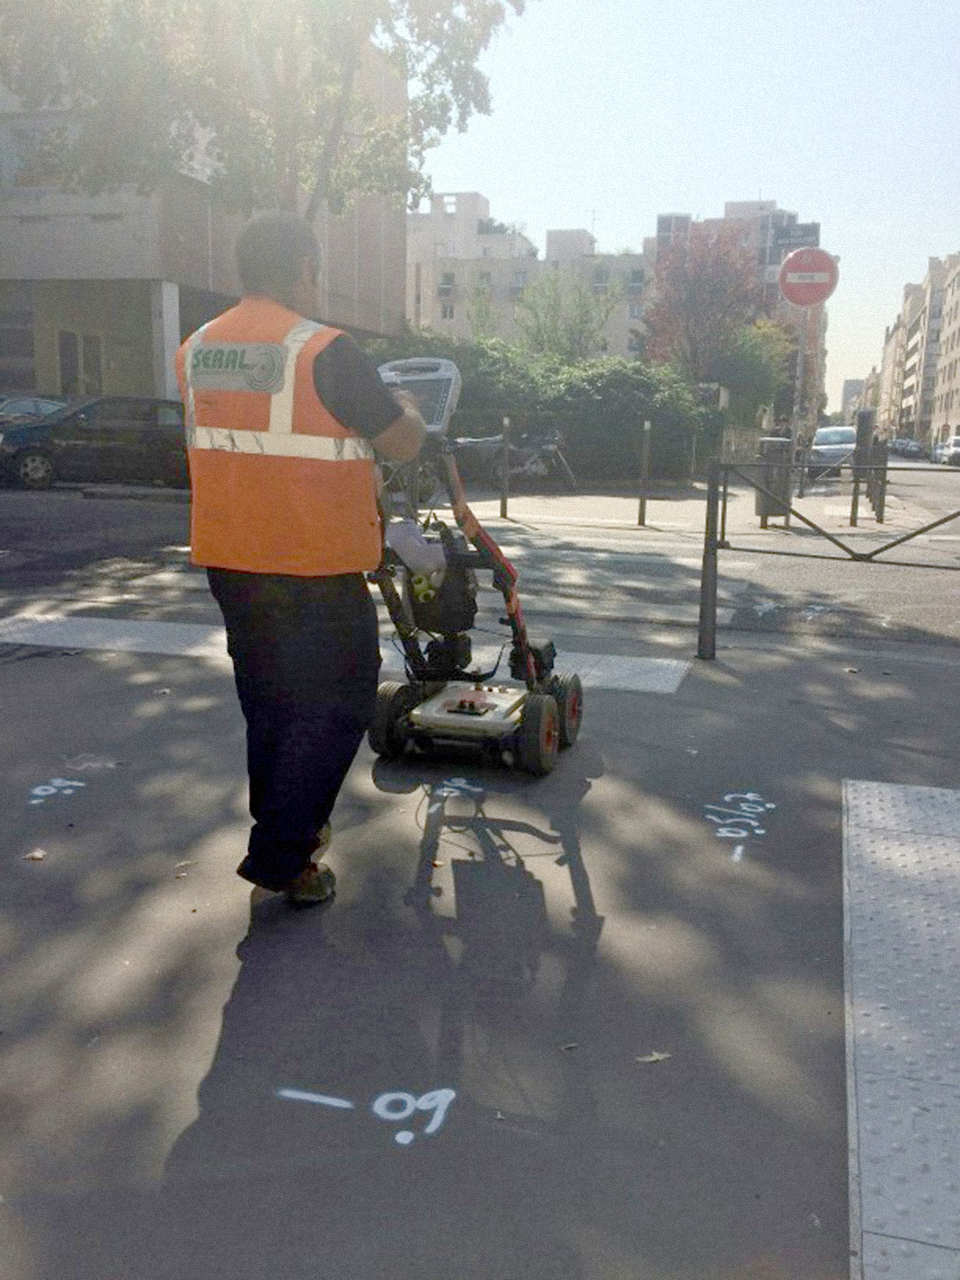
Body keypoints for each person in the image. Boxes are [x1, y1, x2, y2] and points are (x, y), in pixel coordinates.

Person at [176, 212, 425, 904]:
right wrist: (409, 404)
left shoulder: (196, 348)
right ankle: (284, 853)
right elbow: (402, 440)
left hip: (233, 563)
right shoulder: (324, 349)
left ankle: (292, 837)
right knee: (340, 707)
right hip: (313, 567)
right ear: (305, 269)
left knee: (273, 706)